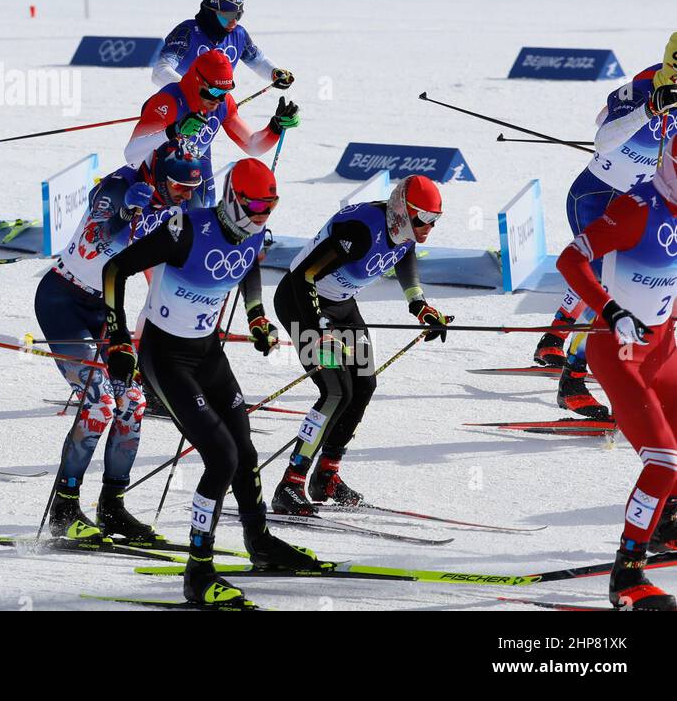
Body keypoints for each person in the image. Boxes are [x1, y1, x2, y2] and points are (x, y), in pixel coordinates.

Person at [101, 158, 320, 606]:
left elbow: (250, 266)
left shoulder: (253, 229)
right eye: (257, 206)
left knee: (245, 451)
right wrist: (119, 337)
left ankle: (260, 542)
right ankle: (198, 573)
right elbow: (115, 270)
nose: (263, 216)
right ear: (233, 199)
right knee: (221, 457)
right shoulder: (187, 228)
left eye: (271, 207)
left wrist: (257, 317)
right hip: (166, 356)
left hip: (207, 352)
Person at [36, 143, 204, 544]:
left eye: (191, 187)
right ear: (161, 177)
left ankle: (112, 505)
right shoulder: (119, 185)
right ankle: (64, 508)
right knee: (99, 403)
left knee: (134, 403)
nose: (186, 194)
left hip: (104, 308)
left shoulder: (173, 205)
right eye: (180, 186)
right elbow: (99, 243)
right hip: (63, 301)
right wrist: (128, 213)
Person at [269, 175, 449, 515]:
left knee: (364, 385)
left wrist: (419, 305)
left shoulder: (403, 231)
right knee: (335, 392)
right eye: (423, 219)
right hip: (302, 303)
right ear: (402, 211)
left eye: (434, 220)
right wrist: (318, 326)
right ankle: (290, 483)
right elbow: (304, 275)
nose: (428, 228)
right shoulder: (360, 231)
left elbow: (404, 255)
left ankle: (327, 475)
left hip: (340, 306)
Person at [555, 142, 677, 610]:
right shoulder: (635, 207)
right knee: (663, 461)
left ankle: (667, 522)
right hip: (621, 350)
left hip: (661, 347)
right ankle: (627, 576)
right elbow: (570, 259)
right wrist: (610, 308)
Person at [534, 48, 677, 424]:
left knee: (621, 283)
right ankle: (573, 381)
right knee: (608, 287)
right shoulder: (645, 86)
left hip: (643, 204)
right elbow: (602, 136)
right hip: (596, 198)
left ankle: (555, 338)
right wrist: (647, 111)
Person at [125, 49, 298, 206]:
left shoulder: (223, 104)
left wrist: (274, 128)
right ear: (197, 80)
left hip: (191, 183)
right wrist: (172, 132)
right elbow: (132, 156)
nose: (219, 100)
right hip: (154, 188)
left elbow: (252, 145)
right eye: (214, 92)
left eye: (225, 93)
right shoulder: (168, 101)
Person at [152, 0, 294, 92]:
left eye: (238, 15)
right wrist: (194, 90)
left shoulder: (239, 34)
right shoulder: (186, 32)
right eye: (228, 15)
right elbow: (159, 72)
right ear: (210, 12)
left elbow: (258, 61)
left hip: (215, 109)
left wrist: (274, 73)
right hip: (179, 108)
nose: (234, 21)